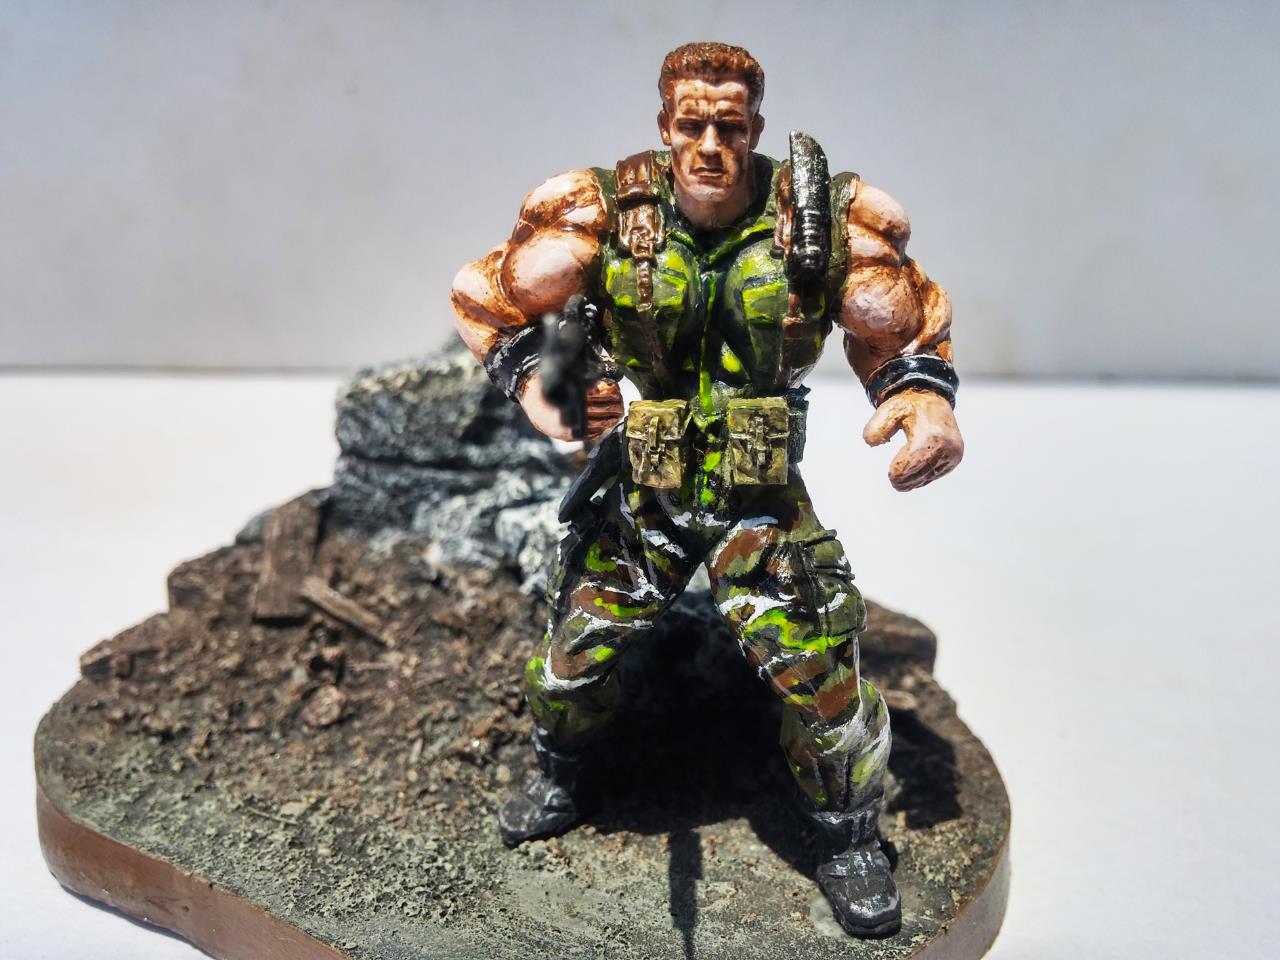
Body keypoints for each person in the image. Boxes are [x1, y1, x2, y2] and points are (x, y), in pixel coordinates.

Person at [450, 41, 963, 937]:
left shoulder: (825, 219)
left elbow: (904, 323)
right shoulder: (599, 213)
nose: (712, 146)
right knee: (570, 663)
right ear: (665, 124)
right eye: (693, 125)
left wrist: (921, 398)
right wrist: (542, 381)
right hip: (645, 493)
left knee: (823, 680)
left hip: (759, 499)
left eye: (730, 125)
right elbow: (485, 295)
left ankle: (848, 840)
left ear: (756, 127)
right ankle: (562, 773)